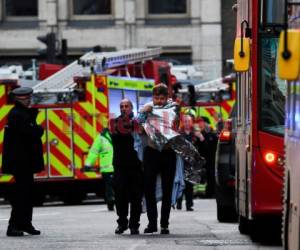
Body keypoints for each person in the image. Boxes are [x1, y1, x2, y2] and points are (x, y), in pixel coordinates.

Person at [2, 87, 44, 237]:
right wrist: (38, 127)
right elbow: (32, 132)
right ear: (19, 99)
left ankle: (26, 223)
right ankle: (13, 226)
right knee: (21, 195)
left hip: (25, 163)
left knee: (28, 194)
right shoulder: (17, 114)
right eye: (26, 98)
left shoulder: (22, 113)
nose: (29, 100)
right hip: (21, 163)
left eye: (29, 98)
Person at [138, 83, 179, 235]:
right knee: (149, 189)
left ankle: (164, 224)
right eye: (157, 98)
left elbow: (176, 127)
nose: (159, 101)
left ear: (167, 98)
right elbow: (139, 128)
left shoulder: (173, 109)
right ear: (152, 98)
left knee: (167, 190)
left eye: (162, 98)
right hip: (152, 152)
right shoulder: (148, 110)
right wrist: (143, 112)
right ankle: (152, 223)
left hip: (168, 153)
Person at [109, 99, 143, 235]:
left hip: (135, 166)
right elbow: (116, 135)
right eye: (121, 106)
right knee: (120, 196)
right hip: (120, 166)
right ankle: (122, 223)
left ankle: (134, 224)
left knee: (136, 197)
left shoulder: (138, 122)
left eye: (126, 106)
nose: (124, 108)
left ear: (131, 107)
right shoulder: (115, 123)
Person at [84, 128, 115, 211]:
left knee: (116, 186)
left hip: (118, 167)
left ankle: (114, 201)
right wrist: (88, 164)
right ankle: (110, 202)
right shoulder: (101, 137)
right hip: (107, 169)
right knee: (109, 187)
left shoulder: (121, 135)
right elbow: (94, 151)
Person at [176, 113, 199, 211]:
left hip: (191, 163)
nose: (187, 123)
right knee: (181, 183)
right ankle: (179, 202)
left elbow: (202, 147)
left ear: (191, 123)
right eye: (185, 121)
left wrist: (201, 138)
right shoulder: (179, 134)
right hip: (182, 162)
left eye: (189, 121)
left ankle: (189, 204)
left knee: (190, 184)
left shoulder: (195, 134)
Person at [197, 116, 218, 198]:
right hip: (201, 160)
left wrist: (202, 139)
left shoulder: (211, 135)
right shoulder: (197, 134)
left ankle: (210, 193)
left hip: (210, 160)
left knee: (211, 177)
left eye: (201, 122)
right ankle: (201, 193)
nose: (199, 124)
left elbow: (210, 148)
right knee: (201, 177)